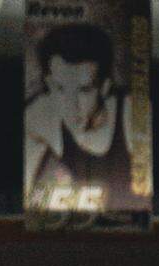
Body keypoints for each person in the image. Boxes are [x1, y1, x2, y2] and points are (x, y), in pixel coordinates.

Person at [25, 23, 134, 210]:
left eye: (84, 90)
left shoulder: (132, 114)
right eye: (60, 89)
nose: (71, 106)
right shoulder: (39, 114)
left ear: (105, 87)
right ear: (49, 84)